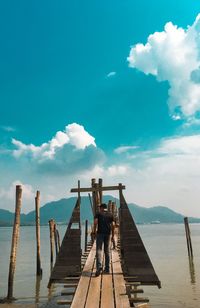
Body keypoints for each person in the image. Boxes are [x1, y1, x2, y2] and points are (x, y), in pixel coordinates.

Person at [93, 203, 115, 276]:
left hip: (100, 234)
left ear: (102, 208)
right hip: (108, 234)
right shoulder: (110, 214)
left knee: (99, 249)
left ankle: (99, 267)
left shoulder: (98, 213)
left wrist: (94, 231)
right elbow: (113, 225)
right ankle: (107, 269)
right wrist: (113, 235)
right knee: (107, 251)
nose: (99, 209)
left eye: (100, 208)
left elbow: (95, 222)